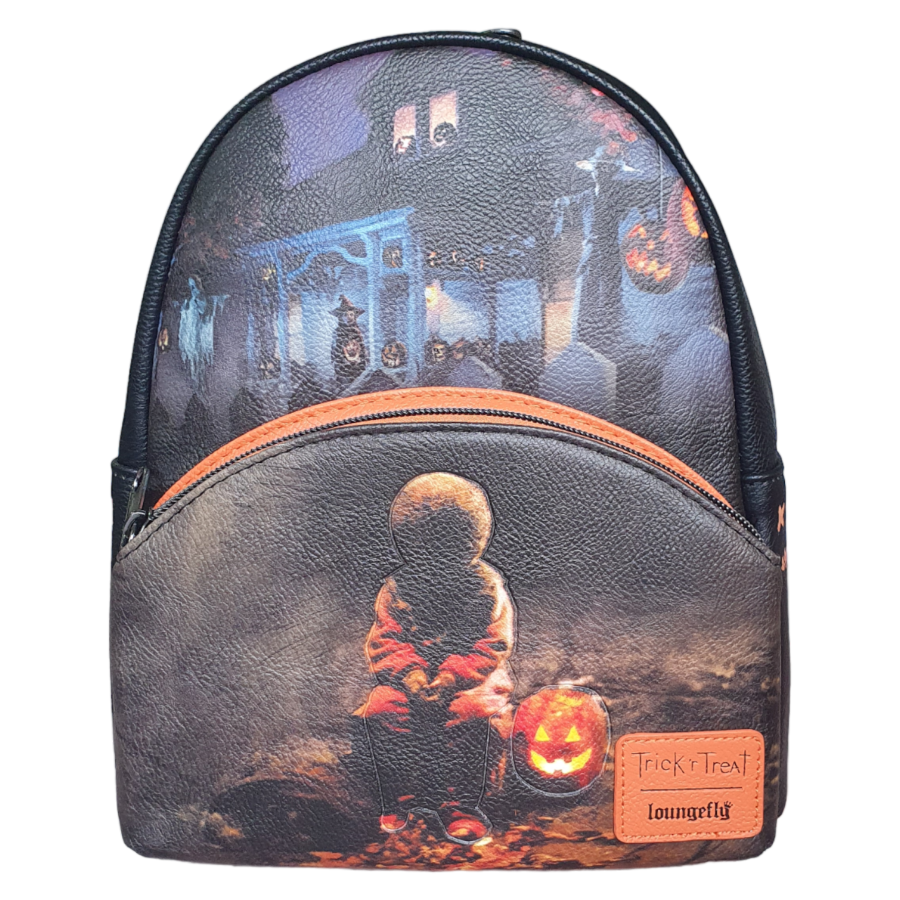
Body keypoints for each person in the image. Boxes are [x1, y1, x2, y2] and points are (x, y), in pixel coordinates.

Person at [356, 473, 515, 844]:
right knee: (383, 709)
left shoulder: (487, 589)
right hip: (411, 679)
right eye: (428, 547)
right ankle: (401, 797)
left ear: (472, 541)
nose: (440, 561)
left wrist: (451, 678)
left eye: (451, 548)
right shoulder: (396, 589)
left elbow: (492, 644)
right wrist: (411, 675)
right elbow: (386, 640)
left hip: (473, 679)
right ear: (409, 543)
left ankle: (460, 803)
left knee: (469, 712)